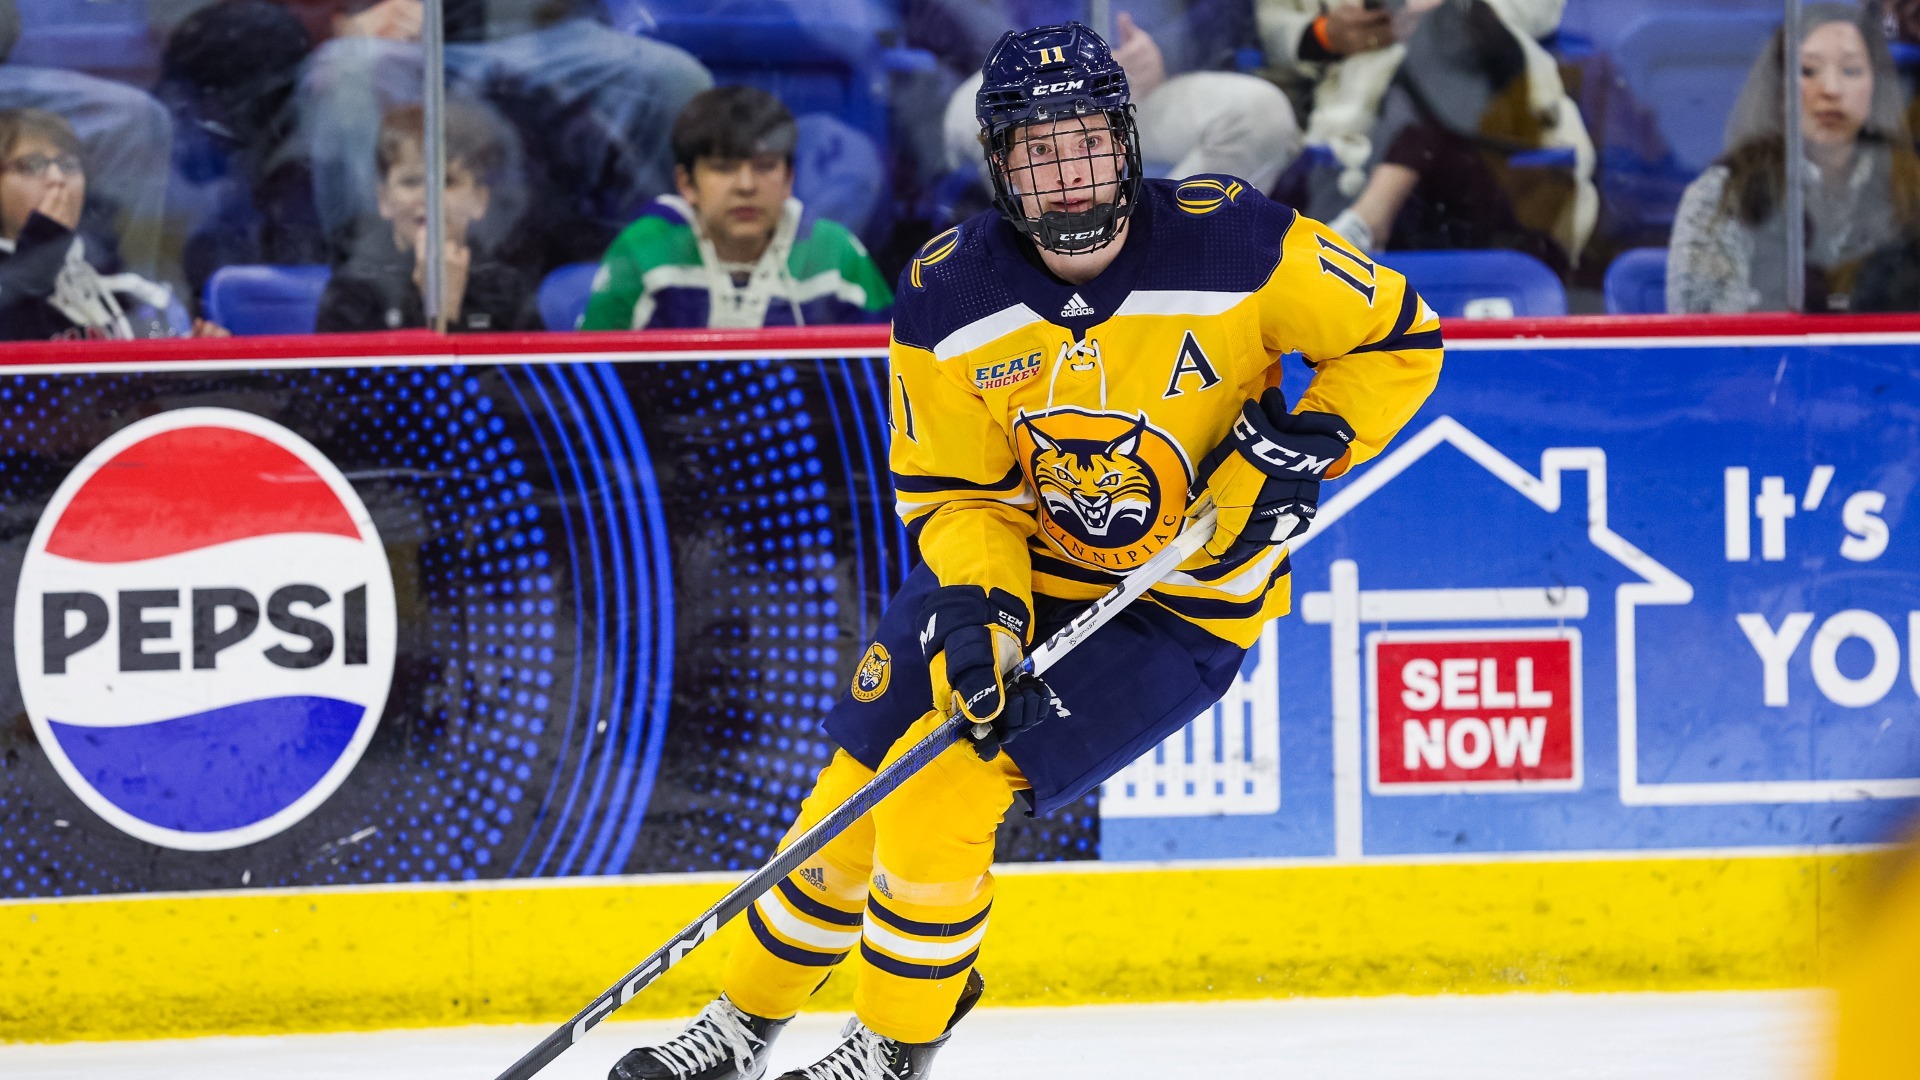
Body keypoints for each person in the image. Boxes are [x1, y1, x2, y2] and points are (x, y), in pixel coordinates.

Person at [610, 22, 1440, 1080]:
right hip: (1016, 569)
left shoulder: (1234, 239)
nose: (1066, 170)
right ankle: (744, 1022)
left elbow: (1398, 341)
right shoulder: (950, 291)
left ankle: (894, 1042)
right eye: (1036, 149)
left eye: (1085, 140)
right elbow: (956, 493)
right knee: (850, 798)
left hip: (1174, 603)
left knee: (946, 793)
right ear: (998, 164)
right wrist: (985, 615)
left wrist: (1309, 442)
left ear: (1127, 142)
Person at [293, 0, 713, 272]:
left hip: (559, 38)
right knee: (343, 71)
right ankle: (376, 281)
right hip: (419, 43)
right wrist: (346, 16)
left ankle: (660, 278)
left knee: (672, 79)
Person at [1261, 0, 1595, 266]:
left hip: (1488, 79)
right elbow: (1277, 24)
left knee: (1448, 31)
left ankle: (1369, 217)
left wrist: (1451, 9)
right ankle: (1371, 216)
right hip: (1363, 97)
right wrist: (1325, 34)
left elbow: (1540, 11)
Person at [1668, 4, 1920, 315]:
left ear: (1876, 88)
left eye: (1850, 70)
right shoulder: (1724, 194)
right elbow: (1709, 347)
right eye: (1808, 70)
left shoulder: (1912, 190)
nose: (1831, 89)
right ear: (1781, 88)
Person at [581, 87, 892, 331]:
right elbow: (592, 385)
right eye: (723, 168)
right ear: (686, 183)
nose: (746, 186)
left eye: (765, 167)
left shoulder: (835, 253)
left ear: (788, 180)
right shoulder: (645, 248)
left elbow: (897, 375)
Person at [939, 8, 1301, 200]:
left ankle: (1164, 250)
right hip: (1030, 86)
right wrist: (1030, 59)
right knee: (971, 111)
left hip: (1150, 87)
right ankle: (1033, 263)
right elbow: (953, 14)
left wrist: (1163, 52)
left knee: (1260, 113)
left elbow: (1227, 14)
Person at [0, 107, 226, 341]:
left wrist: (197, 357)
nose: (57, 178)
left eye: (68, 165)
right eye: (32, 166)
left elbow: (156, 347)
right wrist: (36, 258)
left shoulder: (126, 283)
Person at [315, 102, 536, 332]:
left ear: (479, 200)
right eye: (411, 182)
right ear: (384, 200)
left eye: (447, 181)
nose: (429, 198)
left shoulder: (505, 290)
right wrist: (435, 310)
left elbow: (534, 367)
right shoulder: (353, 290)